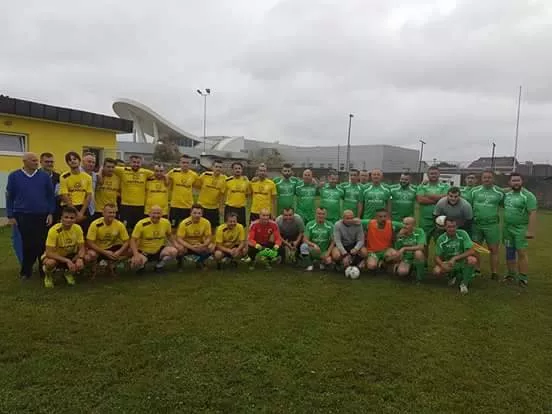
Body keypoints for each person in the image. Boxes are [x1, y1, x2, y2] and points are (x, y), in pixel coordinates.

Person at [6, 152, 55, 279]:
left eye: (36, 160)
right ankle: (26, 271)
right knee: (28, 244)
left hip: (41, 214)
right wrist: (10, 215)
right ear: (25, 161)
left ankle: (43, 269)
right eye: (33, 160)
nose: (36, 162)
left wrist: (50, 212)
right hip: (23, 215)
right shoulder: (14, 176)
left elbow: (50, 196)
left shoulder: (44, 176)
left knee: (42, 243)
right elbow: (9, 196)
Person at [468, 170, 504, 280]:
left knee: (494, 249)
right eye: (485, 177)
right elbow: (469, 206)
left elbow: (504, 204)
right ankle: (477, 270)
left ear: (493, 179)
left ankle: (494, 272)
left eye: (489, 177)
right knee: (476, 248)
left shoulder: (499, 192)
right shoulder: (474, 191)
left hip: (492, 225)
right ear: (481, 179)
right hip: (476, 224)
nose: (487, 179)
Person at [502, 173, 537, 287]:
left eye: (518, 180)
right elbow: (497, 190)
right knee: (509, 252)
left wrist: (530, 231)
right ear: (509, 182)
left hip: (520, 228)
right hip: (507, 228)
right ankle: (511, 275)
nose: (516, 183)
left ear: (522, 181)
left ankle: (523, 278)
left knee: (521, 252)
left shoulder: (528, 196)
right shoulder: (507, 194)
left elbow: (532, 213)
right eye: (513, 180)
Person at [42, 206, 86, 288]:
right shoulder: (54, 230)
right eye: (66, 217)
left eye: (72, 218)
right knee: (50, 263)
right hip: (56, 256)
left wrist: (80, 258)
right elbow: (49, 253)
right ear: (61, 218)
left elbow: (82, 248)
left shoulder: (78, 228)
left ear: (75, 219)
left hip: (70, 254)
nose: (69, 220)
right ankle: (48, 276)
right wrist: (67, 261)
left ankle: (68, 273)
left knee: (84, 258)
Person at [85, 203, 131, 277]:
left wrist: (119, 252)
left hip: (111, 247)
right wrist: (105, 252)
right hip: (97, 249)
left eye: (114, 213)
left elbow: (127, 241)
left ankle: (112, 265)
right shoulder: (95, 224)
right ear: (103, 213)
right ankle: (92, 269)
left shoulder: (119, 224)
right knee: (90, 255)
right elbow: (89, 242)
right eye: (109, 212)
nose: (112, 215)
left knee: (130, 251)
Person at [434, 217, 477, 294]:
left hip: (462, 261)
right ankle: (451, 276)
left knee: (472, 260)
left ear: (457, 226)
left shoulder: (463, 234)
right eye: (449, 227)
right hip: (449, 262)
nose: (452, 229)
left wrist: (455, 258)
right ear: (445, 227)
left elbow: (472, 251)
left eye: (453, 226)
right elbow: (436, 257)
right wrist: (442, 265)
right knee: (436, 271)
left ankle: (464, 284)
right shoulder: (441, 239)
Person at [129, 205, 178, 272]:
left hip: (159, 250)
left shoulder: (166, 222)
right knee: (134, 265)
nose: (156, 215)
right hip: (144, 252)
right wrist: (136, 255)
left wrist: (176, 245)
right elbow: (133, 240)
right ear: (149, 214)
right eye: (154, 213)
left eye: (158, 213)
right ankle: (141, 266)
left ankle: (159, 266)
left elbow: (169, 235)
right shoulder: (141, 224)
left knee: (174, 251)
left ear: (162, 214)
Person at [113, 154, 154, 230]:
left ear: (141, 163)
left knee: (138, 229)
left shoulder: (146, 172)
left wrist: (165, 179)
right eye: (134, 162)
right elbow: (106, 167)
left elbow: (159, 174)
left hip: (140, 206)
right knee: (124, 228)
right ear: (130, 162)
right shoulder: (123, 170)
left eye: (138, 162)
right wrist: (99, 175)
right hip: (126, 206)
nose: (136, 164)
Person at [416, 166, 449, 256]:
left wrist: (428, 195)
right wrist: (438, 199)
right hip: (425, 220)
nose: (433, 175)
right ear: (427, 175)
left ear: (439, 174)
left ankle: (441, 262)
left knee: (441, 243)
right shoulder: (422, 186)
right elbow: (420, 200)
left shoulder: (445, 186)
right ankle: (424, 262)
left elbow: (446, 199)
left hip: (440, 219)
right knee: (424, 243)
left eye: (435, 173)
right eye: (431, 173)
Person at [59, 152, 93, 231]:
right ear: (67, 163)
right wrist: (76, 213)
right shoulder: (64, 176)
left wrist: (81, 213)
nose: (73, 161)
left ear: (79, 161)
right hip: (69, 207)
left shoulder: (88, 177)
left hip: (83, 208)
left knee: (84, 231)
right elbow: (65, 195)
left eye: (74, 159)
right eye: (70, 160)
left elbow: (88, 196)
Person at [167, 155, 199, 228]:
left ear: (190, 164)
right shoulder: (173, 172)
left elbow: (198, 186)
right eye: (183, 162)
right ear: (180, 163)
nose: (185, 164)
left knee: (187, 227)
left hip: (188, 206)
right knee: (173, 227)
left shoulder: (194, 175)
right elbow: (165, 180)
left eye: (187, 163)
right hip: (175, 206)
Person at [301, 207, 335, 271]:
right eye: (319, 214)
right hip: (313, 249)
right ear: (315, 214)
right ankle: (309, 264)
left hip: (324, 251)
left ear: (326, 215)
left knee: (329, 261)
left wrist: (328, 253)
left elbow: (333, 241)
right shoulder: (310, 224)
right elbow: (305, 239)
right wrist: (314, 245)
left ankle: (321, 262)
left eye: (323, 214)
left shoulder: (330, 225)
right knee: (303, 246)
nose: (321, 216)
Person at [393, 217, 426, 282]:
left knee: (418, 253)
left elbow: (421, 247)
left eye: (407, 224)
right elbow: (397, 249)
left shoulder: (419, 231)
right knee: (402, 272)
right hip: (406, 257)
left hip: (415, 256)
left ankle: (419, 278)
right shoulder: (400, 232)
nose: (404, 226)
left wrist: (404, 248)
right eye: (403, 224)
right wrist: (399, 237)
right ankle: (410, 267)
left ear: (413, 225)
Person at [196, 159, 226, 228]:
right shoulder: (205, 175)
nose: (218, 169)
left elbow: (222, 195)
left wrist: (221, 208)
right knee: (200, 227)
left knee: (213, 227)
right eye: (216, 167)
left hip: (214, 208)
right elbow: (197, 186)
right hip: (202, 206)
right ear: (212, 167)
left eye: (220, 167)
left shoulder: (224, 179)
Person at [224, 162, 249, 226]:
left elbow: (247, 194)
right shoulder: (227, 181)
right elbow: (223, 194)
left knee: (241, 227)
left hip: (241, 208)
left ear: (242, 170)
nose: (238, 170)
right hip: (230, 208)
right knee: (228, 226)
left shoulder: (246, 181)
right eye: (236, 168)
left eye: (239, 168)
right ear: (232, 170)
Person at [39, 152, 61, 223]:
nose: (49, 164)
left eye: (51, 162)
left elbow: (58, 194)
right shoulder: (35, 176)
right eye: (46, 162)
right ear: (41, 162)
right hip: (39, 211)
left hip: (55, 211)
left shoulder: (58, 177)